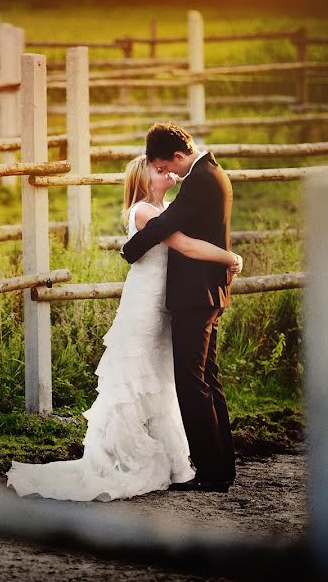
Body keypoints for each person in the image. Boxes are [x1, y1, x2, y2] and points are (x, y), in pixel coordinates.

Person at [5, 152, 242, 501]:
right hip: (145, 303)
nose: (165, 173)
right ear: (143, 180)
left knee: (160, 379)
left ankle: (172, 457)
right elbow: (186, 245)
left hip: (166, 304)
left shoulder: (168, 209)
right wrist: (230, 257)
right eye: (158, 170)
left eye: (165, 168)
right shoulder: (145, 212)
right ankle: (125, 454)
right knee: (136, 376)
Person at [121, 123, 237, 493]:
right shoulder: (213, 172)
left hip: (195, 295)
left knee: (192, 383)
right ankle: (221, 467)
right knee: (209, 379)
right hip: (205, 292)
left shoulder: (200, 179)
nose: (168, 173)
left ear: (176, 155)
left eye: (165, 165)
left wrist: (129, 249)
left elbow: (170, 227)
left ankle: (211, 471)